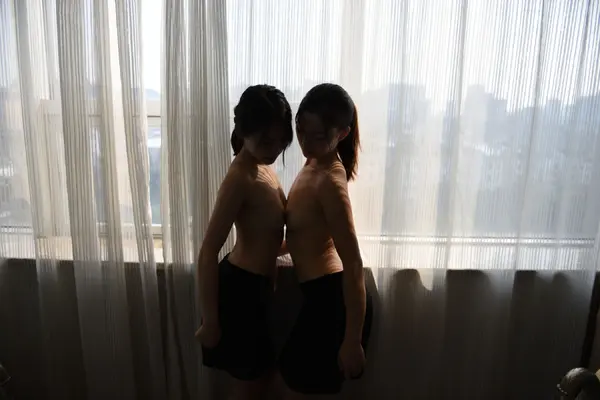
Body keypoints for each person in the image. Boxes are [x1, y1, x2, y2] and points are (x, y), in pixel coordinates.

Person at [195, 84, 293, 399]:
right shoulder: (240, 177)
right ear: (243, 131)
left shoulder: (263, 168)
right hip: (240, 290)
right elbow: (208, 251)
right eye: (265, 140)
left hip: (257, 288)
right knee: (251, 387)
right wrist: (211, 321)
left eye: (280, 140)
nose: (274, 148)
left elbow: (268, 238)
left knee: (262, 381)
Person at [279, 83, 373, 397]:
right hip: (320, 296)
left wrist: (352, 340)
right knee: (293, 378)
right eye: (301, 131)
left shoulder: (331, 181)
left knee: (297, 380)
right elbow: (304, 231)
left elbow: (354, 263)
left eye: (318, 136)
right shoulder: (313, 162)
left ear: (342, 134)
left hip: (334, 301)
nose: (305, 143)